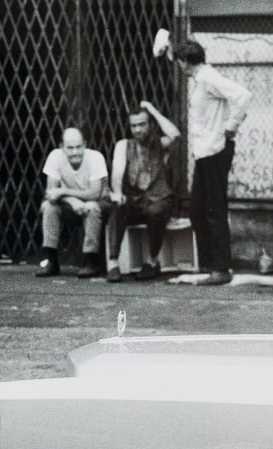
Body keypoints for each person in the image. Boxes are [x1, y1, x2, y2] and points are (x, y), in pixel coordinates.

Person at [177, 40, 251, 285]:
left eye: (179, 62)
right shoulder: (200, 79)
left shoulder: (209, 78)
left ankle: (221, 268)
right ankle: (209, 263)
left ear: (184, 62)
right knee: (197, 209)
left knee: (215, 209)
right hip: (204, 152)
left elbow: (242, 96)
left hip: (215, 150)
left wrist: (231, 127)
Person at [106, 101, 181, 282]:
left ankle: (152, 261)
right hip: (136, 201)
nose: (138, 130)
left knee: (155, 211)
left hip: (159, 199)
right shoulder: (124, 145)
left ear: (150, 124)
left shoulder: (160, 143)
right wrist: (117, 193)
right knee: (117, 206)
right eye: (134, 126)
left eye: (142, 124)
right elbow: (117, 172)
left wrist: (152, 110)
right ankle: (113, 263)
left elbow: (176, 135)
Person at [36, 128, 109, 278]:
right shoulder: (55, 156)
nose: (75, 152)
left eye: (78, 147)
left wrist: (63, 192)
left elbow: (94, 193)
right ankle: (51, 260)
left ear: (85, 145)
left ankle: (90, 261)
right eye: (70, 148)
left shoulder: (95, 158)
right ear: (62, 147)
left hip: (97, 203)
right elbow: (51, 193)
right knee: (49, 206)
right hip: (70, 206)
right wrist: (73, 201)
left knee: (91, 207)